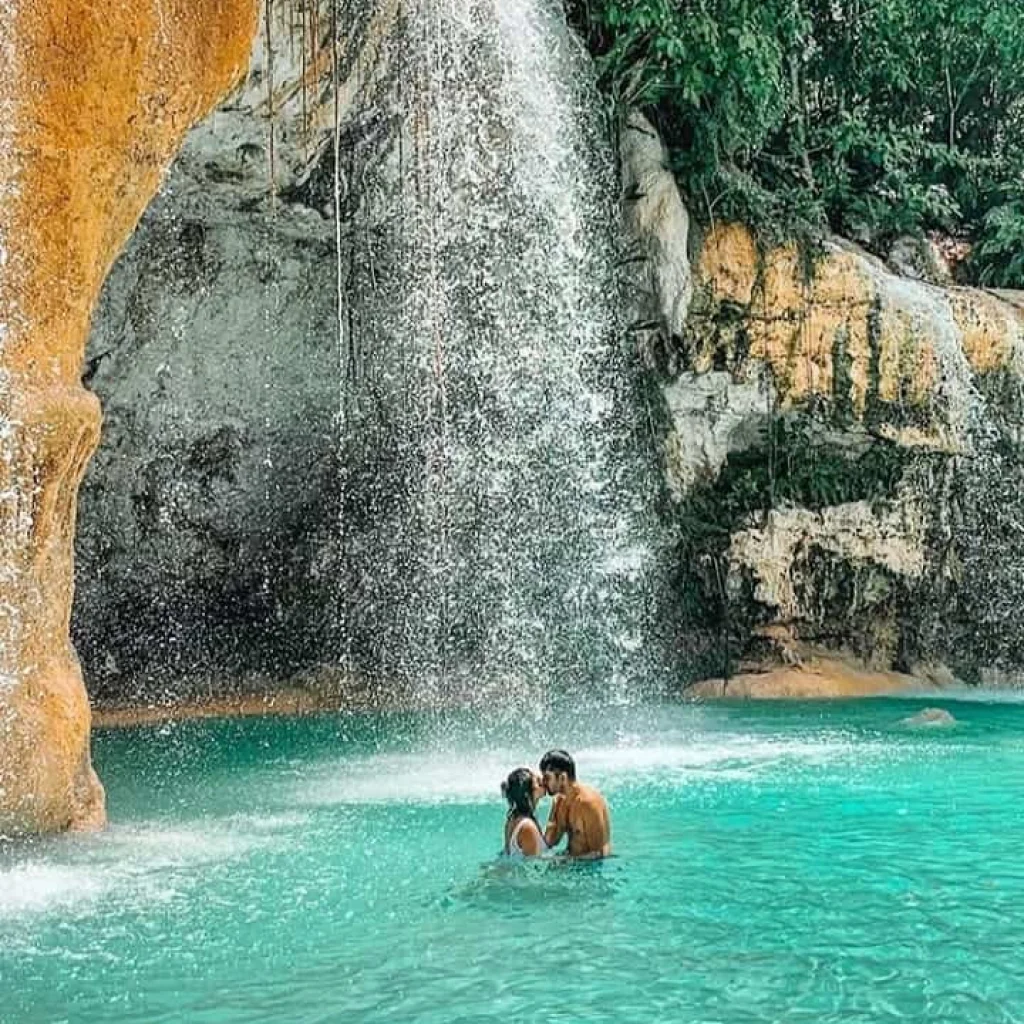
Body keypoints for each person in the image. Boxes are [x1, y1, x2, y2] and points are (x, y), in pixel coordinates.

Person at [539, 749, 611, 858]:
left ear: (563, 777)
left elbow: (600, 853)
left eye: (547, 778)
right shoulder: (559, 802)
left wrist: (566, 862)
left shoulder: (588, 803)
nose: (543, 782)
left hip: (590, 867)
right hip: (572, 862)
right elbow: (550, 842)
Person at [501, 767, 548, 858]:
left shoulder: (513, 818)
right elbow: (535, 865)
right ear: (527, 794)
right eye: (538, 783)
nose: (542, 782)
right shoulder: (527, 826)